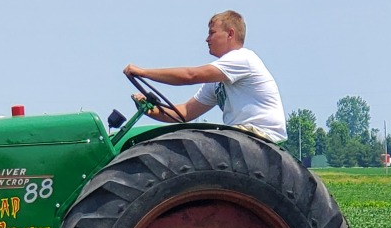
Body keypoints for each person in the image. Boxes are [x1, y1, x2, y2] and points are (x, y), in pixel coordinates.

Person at [122, 10, 287, 142]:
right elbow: (184, 113)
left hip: (260, 136)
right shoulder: (217, 81)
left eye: (212, 33)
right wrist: (149, 110)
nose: (207, 39)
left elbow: (190, 76)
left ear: (230, 34)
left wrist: (143, 72)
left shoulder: (242, 58)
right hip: (241, 136)